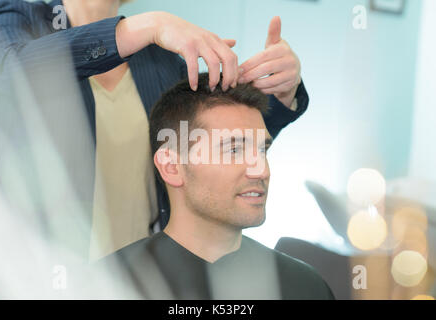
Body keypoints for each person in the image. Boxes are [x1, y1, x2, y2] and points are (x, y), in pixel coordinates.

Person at [0, 0, 308, 260]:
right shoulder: (20, 19)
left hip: (144, 273)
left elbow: (214, 147)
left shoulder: (162, 58)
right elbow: (13, 73)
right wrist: (151, 25)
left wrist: (280, 93)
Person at [104, 73, 334, 300]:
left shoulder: (305, 287)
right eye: (234, 150)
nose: (261, 170)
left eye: (262, 150)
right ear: (172, 166)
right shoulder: (104, 286)